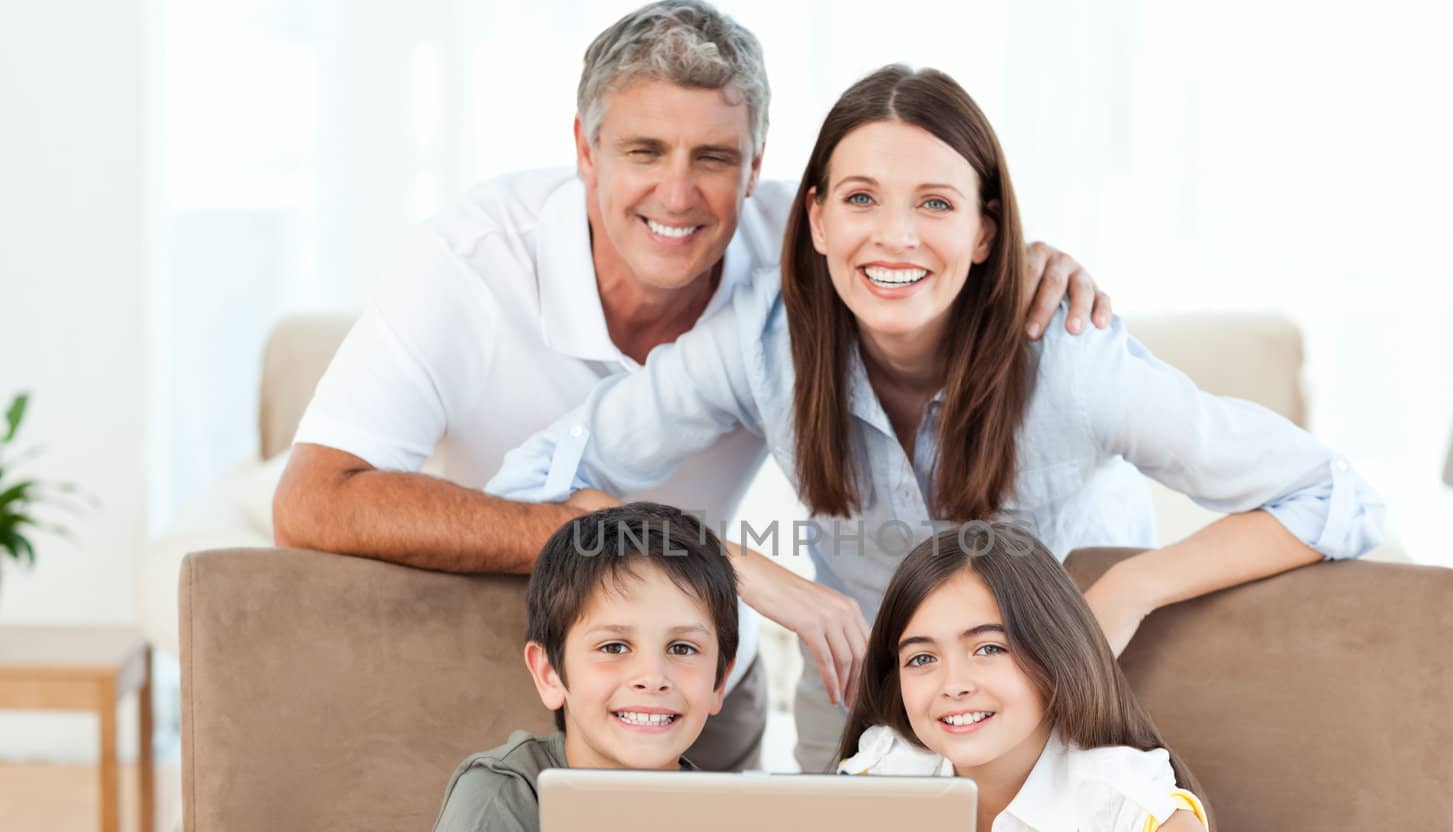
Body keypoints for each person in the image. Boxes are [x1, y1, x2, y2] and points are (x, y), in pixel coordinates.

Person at [272, 1, 1107, 772]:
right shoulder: (468, 265)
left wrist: (1031, 269)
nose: (678, 195)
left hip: (709, 668)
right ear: (584, 149)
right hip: (516, 644)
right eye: (643, 152)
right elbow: (311, 499)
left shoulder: (810, 245)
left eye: (713, 157)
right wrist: (584, 528)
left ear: (756, 168)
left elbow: (923, 234)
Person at [487, 64, 1385, 771]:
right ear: (818, 220)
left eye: (936, 204)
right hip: (860, 723)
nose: (897, 237)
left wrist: (1126, 589)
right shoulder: (763, 342)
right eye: (863, 199)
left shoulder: (1069, 357)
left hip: (1054, 726)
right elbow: (535, 475)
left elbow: (1332, 494)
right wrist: (749, 573)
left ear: (986, 232)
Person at [837, 524, 1310, 832]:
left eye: (989, 649)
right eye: (922, 658)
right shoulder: (885, 772)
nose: (953, 684)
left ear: (1054, 652)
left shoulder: (1117, 790)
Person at [416, 502, 738, 832]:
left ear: (720, 680)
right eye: (613, 647)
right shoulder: (508, 788)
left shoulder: (731, 812)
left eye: (682, 649)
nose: (652, 677)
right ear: (549, 674)